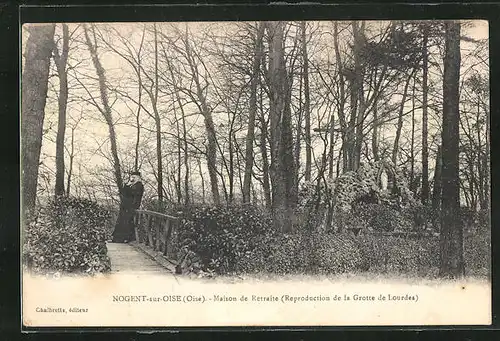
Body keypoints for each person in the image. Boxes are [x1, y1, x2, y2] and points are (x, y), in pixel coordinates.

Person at [111, 171, 144, 243]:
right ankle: (118, 239)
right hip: (126, 207)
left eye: (134, 177)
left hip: (132, 207)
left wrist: (127, 187)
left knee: (126, 223)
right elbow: (123, 193)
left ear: (138, 178)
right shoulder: (132, 185)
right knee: (122, 222)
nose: (132, 179)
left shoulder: (139, 185)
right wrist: (127, 185)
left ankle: (125, 238)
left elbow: (133, 194)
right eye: (132, 177)